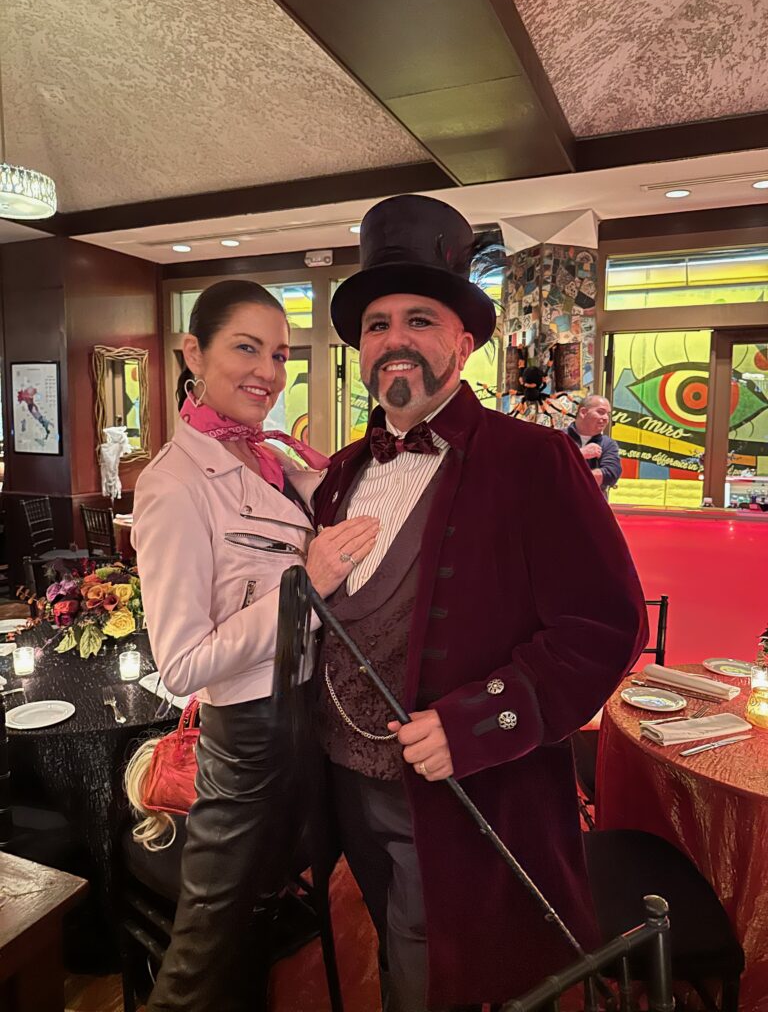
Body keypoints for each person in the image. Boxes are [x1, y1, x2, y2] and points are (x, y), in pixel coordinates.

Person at [313, 195, 648, 1011]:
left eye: (418, 320)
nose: (394, 339)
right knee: (393, 946)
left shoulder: (535, 462)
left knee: (451, 976)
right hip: (344, 783)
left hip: (466, 792)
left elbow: (606, 627)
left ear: (463, 343)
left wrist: (476, 722)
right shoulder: (338, 473)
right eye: (376, 325)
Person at [131, 279, 378, 1012]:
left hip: (314, 719)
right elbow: (181, 664)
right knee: (205, 950)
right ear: (192, 353)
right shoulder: (175, 484)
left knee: (270, 920)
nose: (269, 373)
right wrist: (306, 586)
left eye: (279, 354)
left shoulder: (272, 462)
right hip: (250, 742)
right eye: (246, 348)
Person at [566, 394, 622, 495]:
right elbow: (546, 469)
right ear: (583, 412)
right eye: (600, 412)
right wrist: (580, 454)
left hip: (593, 508)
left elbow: (611, 474)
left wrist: (566, 477)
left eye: (608, 414)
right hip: (560, 506)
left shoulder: (608, 444)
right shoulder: (558, 438)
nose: (605, 418)